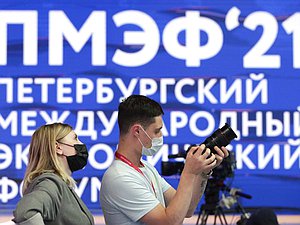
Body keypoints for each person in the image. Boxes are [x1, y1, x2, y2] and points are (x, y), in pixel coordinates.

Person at [100, 95, 229, 225]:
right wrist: (189, 172)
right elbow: (169, 222)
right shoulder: (120, 177)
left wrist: (202, 172)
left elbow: (187, 209)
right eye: (157, 131)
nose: (161, 136)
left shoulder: (146, 168)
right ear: (137, 131)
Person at [12, 123, 94, 225]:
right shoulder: (50, 183)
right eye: (75, 139)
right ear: (58, 147)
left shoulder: (59, 184)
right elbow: (25, 213)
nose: (81, 144)